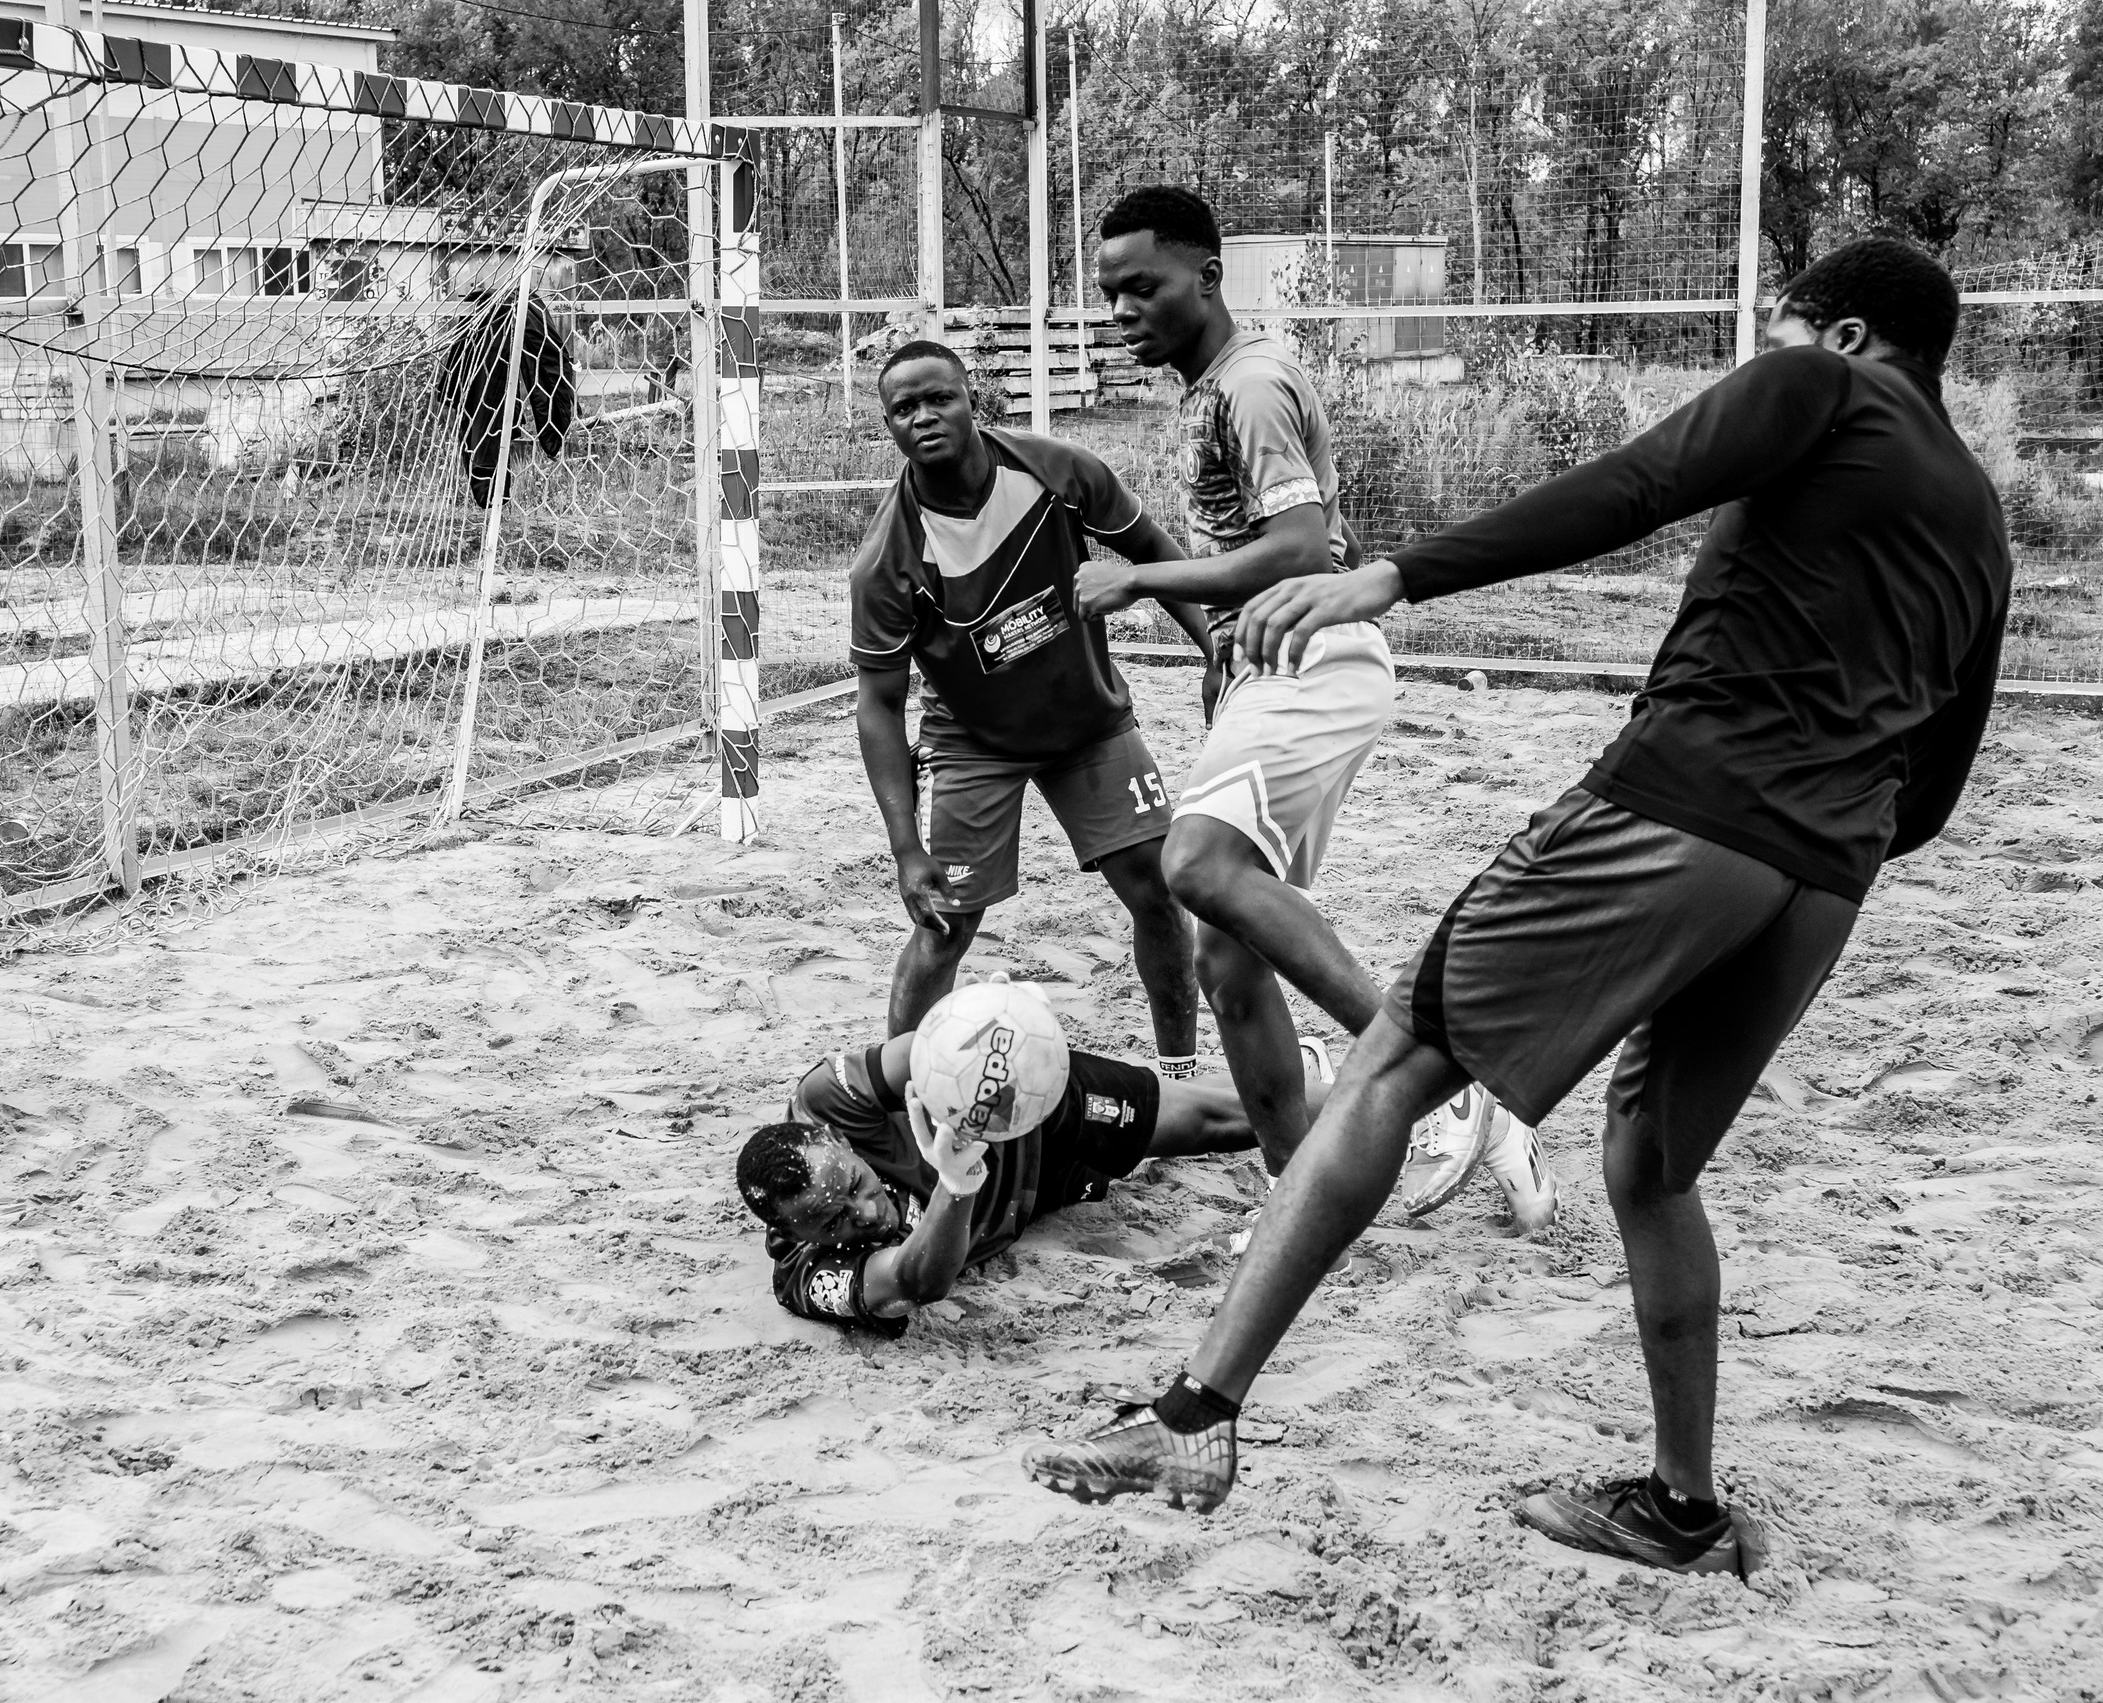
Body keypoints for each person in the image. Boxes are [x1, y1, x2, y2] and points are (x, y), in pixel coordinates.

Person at [1024, 238, 2015, 1570]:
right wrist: (1812, 819)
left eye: (1777, 335)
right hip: (1822, 879)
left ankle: (1190, 1414)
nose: (1764, 359)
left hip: (1682, 806)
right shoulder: (1981, 522)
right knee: (1651, 1166)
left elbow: (1641, 483)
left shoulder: (1825, 388)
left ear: (1840, 336)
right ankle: (1681, 1506)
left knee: (1394, 1062)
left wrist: (1394, 574)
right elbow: (1934, 792)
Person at [1074, 186, 1543, 1225]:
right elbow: (1288, 546)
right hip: (1276, 665)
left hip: (1317, 660)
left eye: (1141, 286)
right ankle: (1298, 1195)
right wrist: (1224, 648)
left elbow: (1299, 550)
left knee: (1194, 864)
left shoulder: (1251, 383)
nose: (1122, 311)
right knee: (1225, 952)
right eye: (1109, 294)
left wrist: (1139, 579)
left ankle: (1448, 1085)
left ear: (1208, 277)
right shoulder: (1209, 388)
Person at [851, 340, 1212, 1066]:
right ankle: (897, 1093)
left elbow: (1152, 549)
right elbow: (878, 707)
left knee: (1159, 892)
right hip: (973, 741)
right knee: (945, 924)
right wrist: (905, 849)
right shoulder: (887, 562)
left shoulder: (1058, 471)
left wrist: (1214, 649)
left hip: (1089, 723)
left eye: (939, 398)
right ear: (889, 426)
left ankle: (1180, 1074)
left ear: (972, 401)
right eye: (904, 408)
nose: (924, 416)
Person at [736, 1014, 1331, 1333]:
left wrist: (988, 1025)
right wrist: (956, 1184)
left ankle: (1368, 1100)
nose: (864, 1213)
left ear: (836, 1141)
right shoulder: (807, 1276)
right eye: (835, 1222)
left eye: (855, 1187)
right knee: (1207, 1114)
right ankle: (1296, 1078)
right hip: (1037, 1193)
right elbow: (917, 1284)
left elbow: (923, 1051)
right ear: (794, 1234)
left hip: (1022, 1107)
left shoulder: (828, 1100)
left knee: (1217, 1121)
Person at [439, 289, 574, 507]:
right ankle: (489, 479)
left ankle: (491, 480)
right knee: (486, 404)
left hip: (489, 413)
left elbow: (547, 367)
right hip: (486, 409)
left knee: (489, 407)